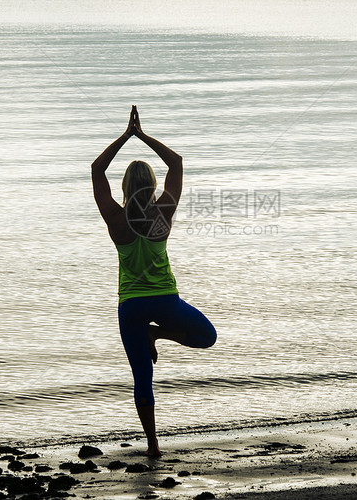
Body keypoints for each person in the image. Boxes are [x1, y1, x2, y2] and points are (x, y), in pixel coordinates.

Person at [91, 105, 217, 457]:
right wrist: (143, 137)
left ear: (125, 186)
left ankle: (153, 445)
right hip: (165, 299)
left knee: (142, 378)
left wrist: (125, 136)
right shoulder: (163, 212)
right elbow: (176, 162)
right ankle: (158, 333)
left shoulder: (115, 217)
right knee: (207, 336)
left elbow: (96, 169)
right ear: (152, 184)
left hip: (131, 306)